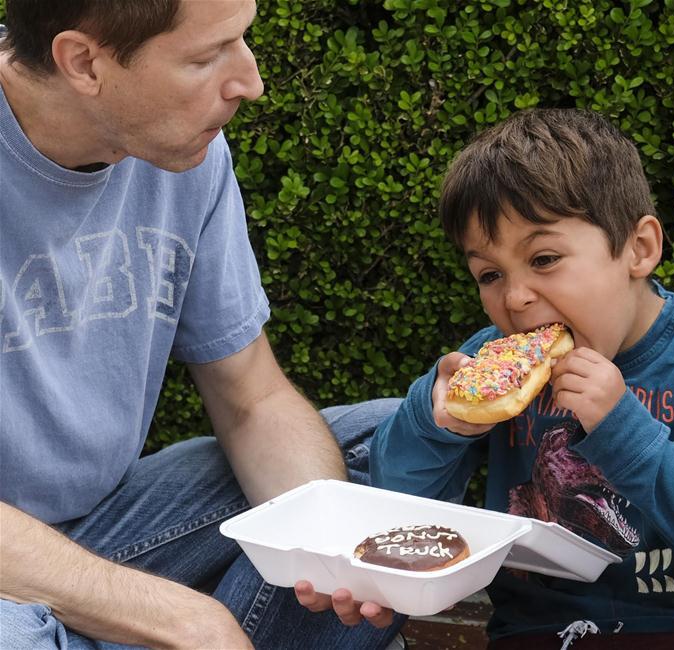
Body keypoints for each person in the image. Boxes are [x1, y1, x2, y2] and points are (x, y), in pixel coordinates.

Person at [0, 1, 404, 648]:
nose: (250, 80)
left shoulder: (180, 154)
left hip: (109, 529)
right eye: (205, 56)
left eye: (240, 40)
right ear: (82, 62)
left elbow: (252, 400)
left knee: (397, 447)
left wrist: (332, 548)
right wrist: (183, 618)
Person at [370, 109, 674, 649]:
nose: (516, 297)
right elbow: (391, 512)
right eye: (489, 274)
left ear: (639, 249)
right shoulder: (488, 366)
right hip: (539, 633)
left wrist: (621, 428)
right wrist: (435, 427)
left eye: (544, 258)